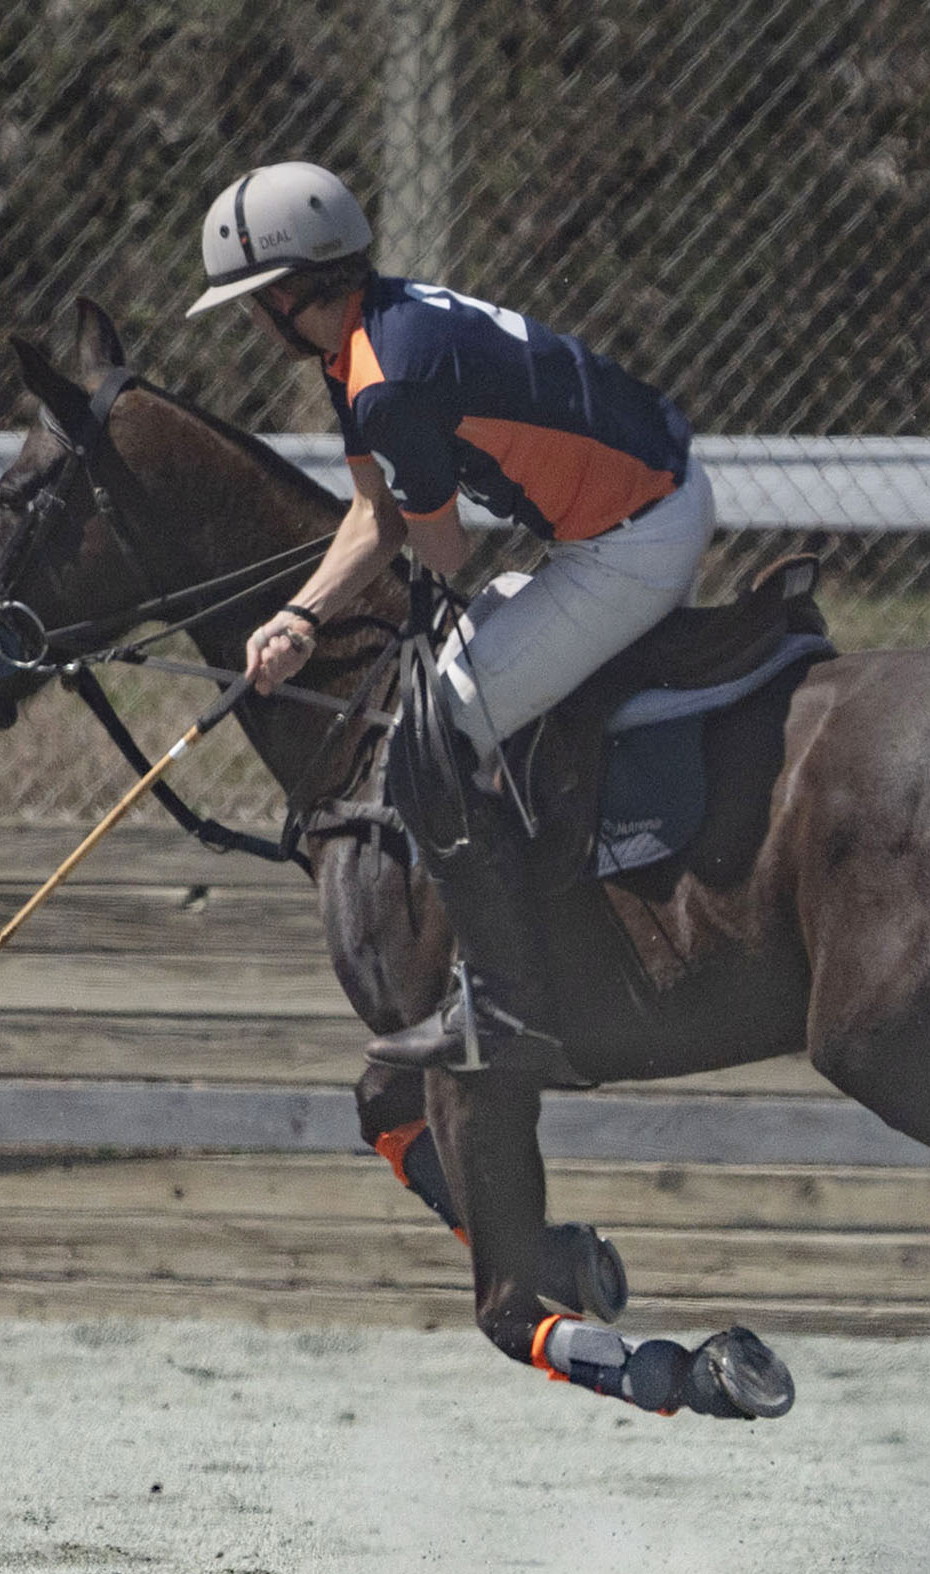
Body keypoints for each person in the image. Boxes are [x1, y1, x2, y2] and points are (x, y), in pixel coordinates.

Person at [188, 161, 714, 1074]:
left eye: (248, 300)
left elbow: (441, 553)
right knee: (475, 671)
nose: (246, 318)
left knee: (435, 734)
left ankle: (502, 1004)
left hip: (635, 539)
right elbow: (372, 517)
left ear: (285, 293)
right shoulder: (365, 336)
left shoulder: (383, 379)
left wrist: (352, 584)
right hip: (632, 508)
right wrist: (300, 617)